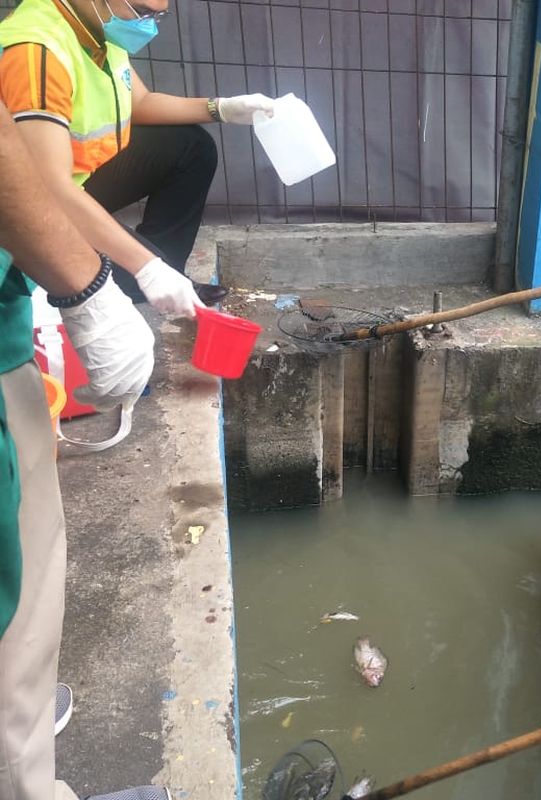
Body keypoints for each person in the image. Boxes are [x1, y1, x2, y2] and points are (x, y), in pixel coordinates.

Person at [0, 101, 167, 799]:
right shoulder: (41, 38)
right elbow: (34, 175)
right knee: (18, 590)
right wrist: (91, 287)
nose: (152, 16)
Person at [0, 0, 276, 318]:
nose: (150, 26)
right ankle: (139, 279)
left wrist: (222, 108)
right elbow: (50, 191)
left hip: (81, 176)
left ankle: (153, 280)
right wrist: (146, 267)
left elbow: (141, 102)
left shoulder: (95, 27)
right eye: (143, 12)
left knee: (191, 146)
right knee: (134, 280)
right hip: (33, 203)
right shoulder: (37, 50)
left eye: (158, 16)